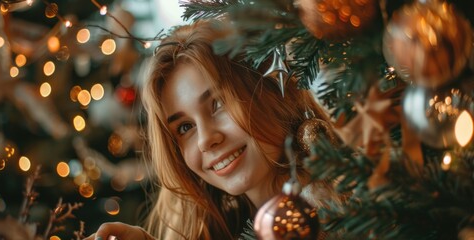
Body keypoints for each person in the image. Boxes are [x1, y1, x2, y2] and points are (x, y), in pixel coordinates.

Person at [84, 19, 331, 240]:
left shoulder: (357, 205)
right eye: (185, 127)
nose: (205, 140)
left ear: (271, 91)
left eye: (217, 104)